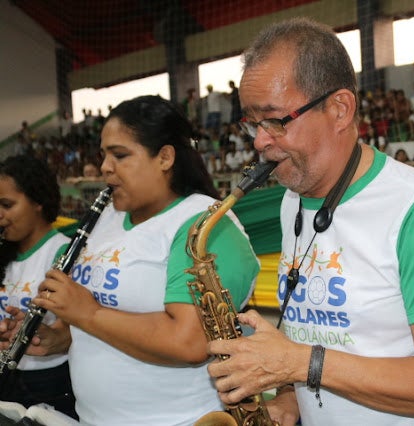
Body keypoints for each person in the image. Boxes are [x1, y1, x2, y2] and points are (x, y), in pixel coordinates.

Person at [206, 17, 414, 426]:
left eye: (275, 121)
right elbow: (311, 339)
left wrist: (299, 363)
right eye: (252, 124)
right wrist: (288, 399)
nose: (260, 142)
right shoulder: (291, 201)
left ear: (340, 109)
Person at [17, 95, 260, 425]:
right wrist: (58, 336)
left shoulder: (206, 225)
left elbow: (190, 342)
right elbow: (100, 323)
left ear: (165, 157)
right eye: (104, 155)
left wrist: (87, 313)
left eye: (120, 155)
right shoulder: (105, 220)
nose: (105, 167)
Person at [0, 155, 76, 419]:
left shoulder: (63, 252)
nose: (0, 214)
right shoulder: (5, 251)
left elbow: (75, 327)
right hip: (7, 377)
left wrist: (50, 334)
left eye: (7, 205)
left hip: (50, 381)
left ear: (37, 201)